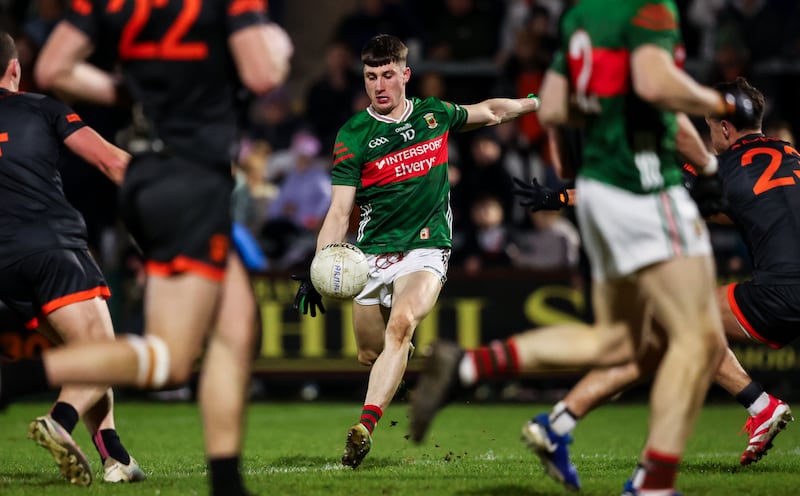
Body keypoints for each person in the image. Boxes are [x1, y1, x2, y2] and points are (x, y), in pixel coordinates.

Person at [409, 2, 758, 494]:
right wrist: (718, 110)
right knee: (698, 339)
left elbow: (552, 107)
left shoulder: (580, 17)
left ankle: (470, 366)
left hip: (598, 191)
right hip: (645, 185)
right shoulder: (649, 8)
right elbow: (657, 87)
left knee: (620, 342)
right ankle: (653, 484)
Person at [0, 3, 292, 496]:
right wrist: (280, 54)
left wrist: (135, 96)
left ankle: (125, 457)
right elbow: (263, 75)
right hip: (177, 174)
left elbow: (56, 66)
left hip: (132, 192)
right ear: (13, 68)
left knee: (233, 327)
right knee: (158, 355)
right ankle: (23, 387)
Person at [510, 76, 796, 494]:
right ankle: (751, 411)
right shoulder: (791, 155)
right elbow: (749, 211)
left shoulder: (722, 168)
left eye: (708, 126)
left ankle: (567, 428)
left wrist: (562, 199)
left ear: (725, 128)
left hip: (779, 291)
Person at [291, 33, 541, 469]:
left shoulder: (435, 114)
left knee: (402, 325)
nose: (379, 85)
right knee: (372, 354)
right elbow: (338, 211)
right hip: (369, 254)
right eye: (371, 77)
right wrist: (320, 264)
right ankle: (402, 362)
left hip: (425, 249)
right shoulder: (353, 135)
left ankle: (364, 427)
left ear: (405, 74)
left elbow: (491, 110)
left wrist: (533, 103)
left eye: (388, 75)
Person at [0, 30, 143, 487]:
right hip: (52, 247)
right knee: (103, 354)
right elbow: (111, 163)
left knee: (85, 352)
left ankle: (115, 457)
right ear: (15, 68)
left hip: (4, 269)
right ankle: (59, 420)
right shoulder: (43, 107)